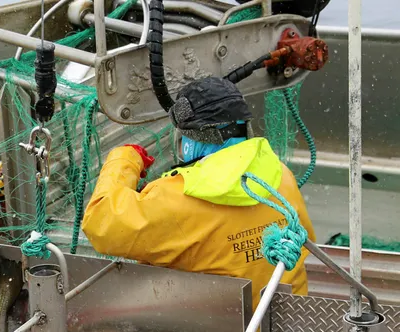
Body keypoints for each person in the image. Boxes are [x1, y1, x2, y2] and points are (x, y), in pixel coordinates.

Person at [81, 77, 316, 307]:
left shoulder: (174, 197)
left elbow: (100, 223)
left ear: (195, 138)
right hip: (287, 331)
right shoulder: (280, 174)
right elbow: (307, 241)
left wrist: (125, 160)